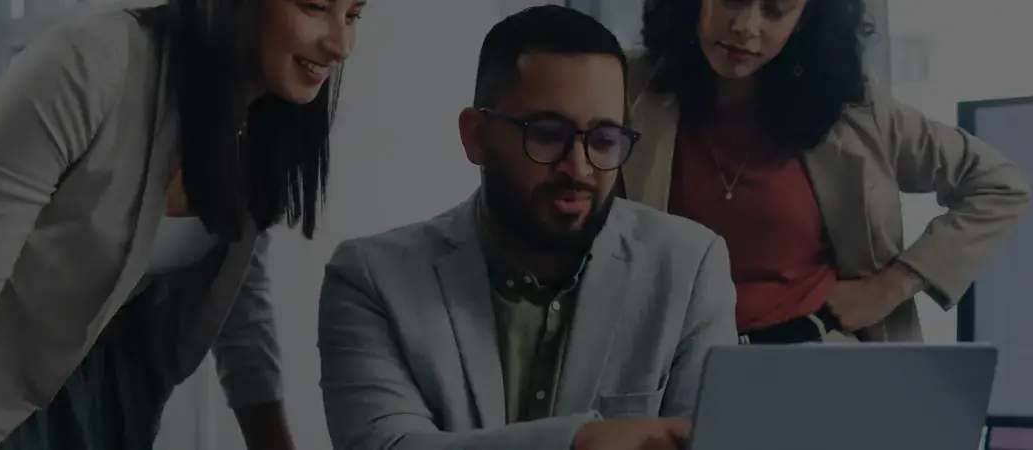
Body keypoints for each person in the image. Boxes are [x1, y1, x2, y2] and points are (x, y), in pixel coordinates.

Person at [0, 0, 366, 449]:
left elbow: (237, 305)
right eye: (315, 7)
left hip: (106, 408)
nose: (341, 43)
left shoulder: (265, 120)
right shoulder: (92, 65)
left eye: (354, 13)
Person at [315, 5, 737, 450]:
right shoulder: (372, 280)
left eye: (604, 140)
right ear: (476, 136)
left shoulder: (689, 268)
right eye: (548, 134)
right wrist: (582, 441)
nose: (579, 168)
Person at [618, 0, 1030, 343]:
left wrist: (890, 287)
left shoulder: (853, 108)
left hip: (816, 359)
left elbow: (999, 185)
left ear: (804, 21)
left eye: (775, 10)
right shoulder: (627, 86)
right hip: (668, 366)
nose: (745, 27)